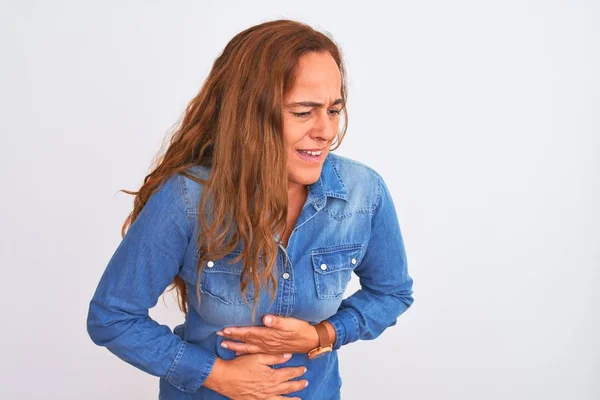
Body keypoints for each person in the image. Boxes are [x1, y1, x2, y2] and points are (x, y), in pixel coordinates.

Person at [86, 19, 414, 400]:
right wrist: (217, 375)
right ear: (250, 116)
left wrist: (323, 334)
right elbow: (113, 317)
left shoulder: (363, 193)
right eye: (303, 112)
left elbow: (392, 293)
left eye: (333, 110)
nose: (326, 131)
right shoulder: (188, 198)